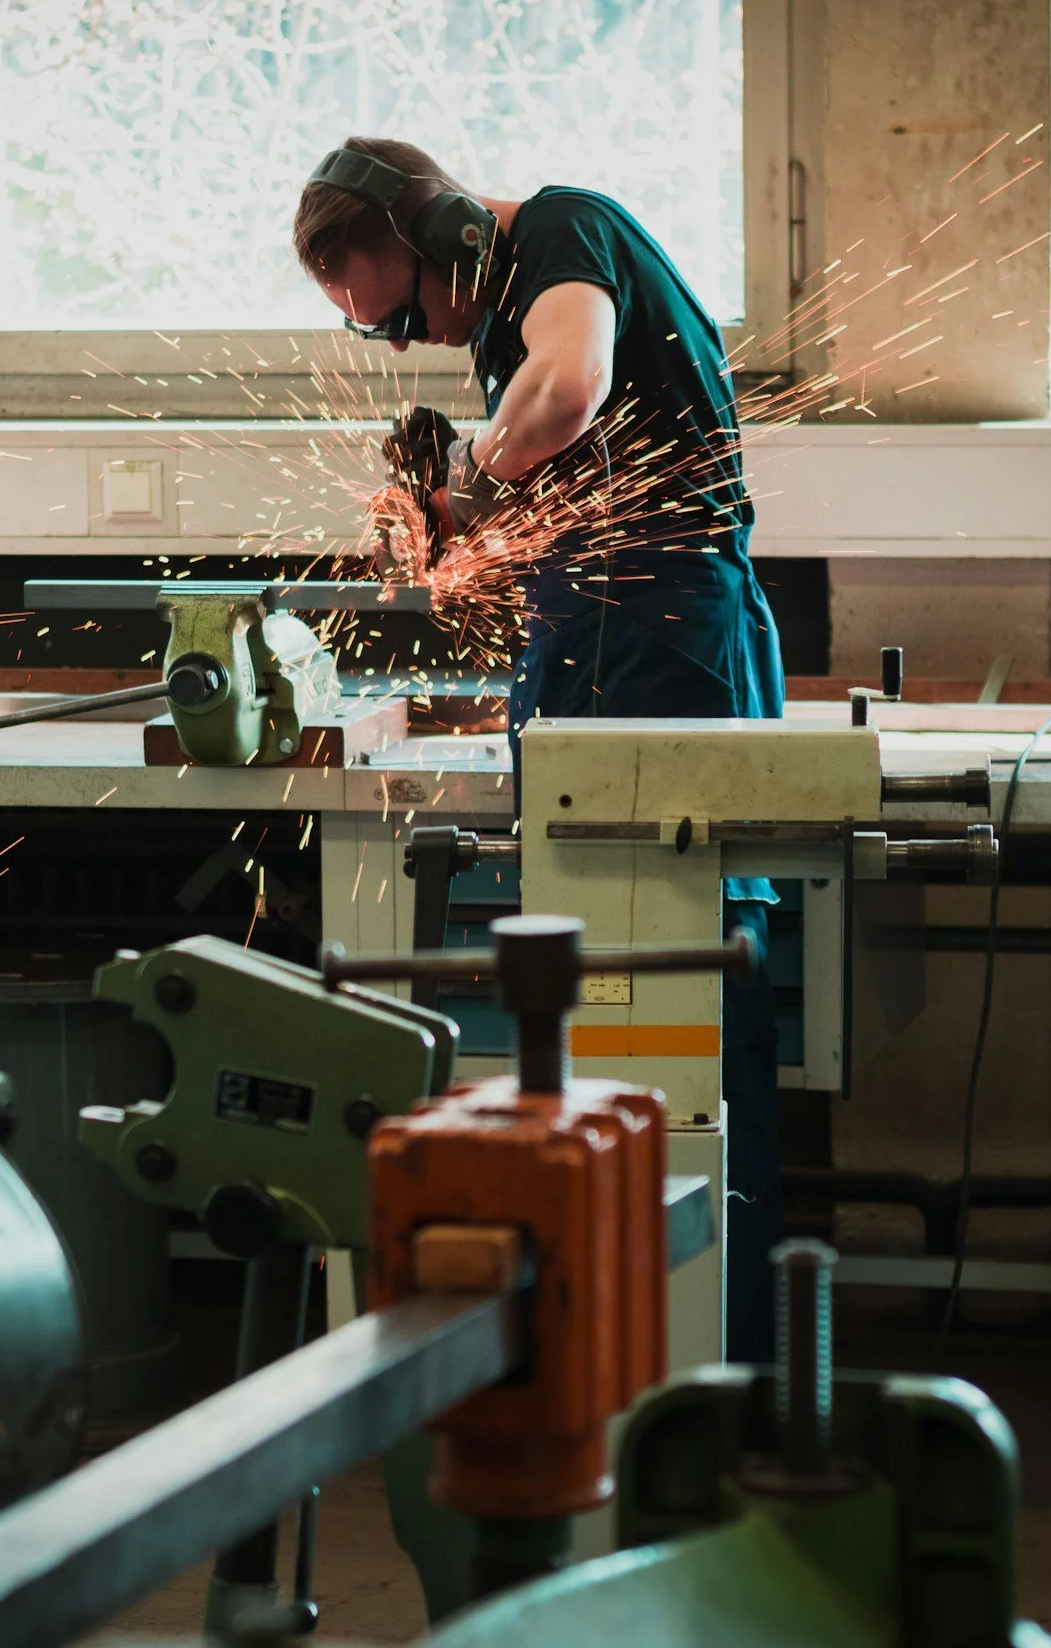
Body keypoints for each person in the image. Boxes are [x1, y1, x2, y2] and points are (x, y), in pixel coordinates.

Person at [292, 137, 786, 1364]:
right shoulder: (496, 320)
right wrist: (456, 507)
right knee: (604, 994)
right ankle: (622, 1332)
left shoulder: (564, 232)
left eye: (400, 313)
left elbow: (565, 394)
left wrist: (468, 472)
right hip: (589, 637)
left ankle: (718, 1349)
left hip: (667, 641)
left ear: (447, 229)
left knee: (691, 998)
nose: (407, 341)